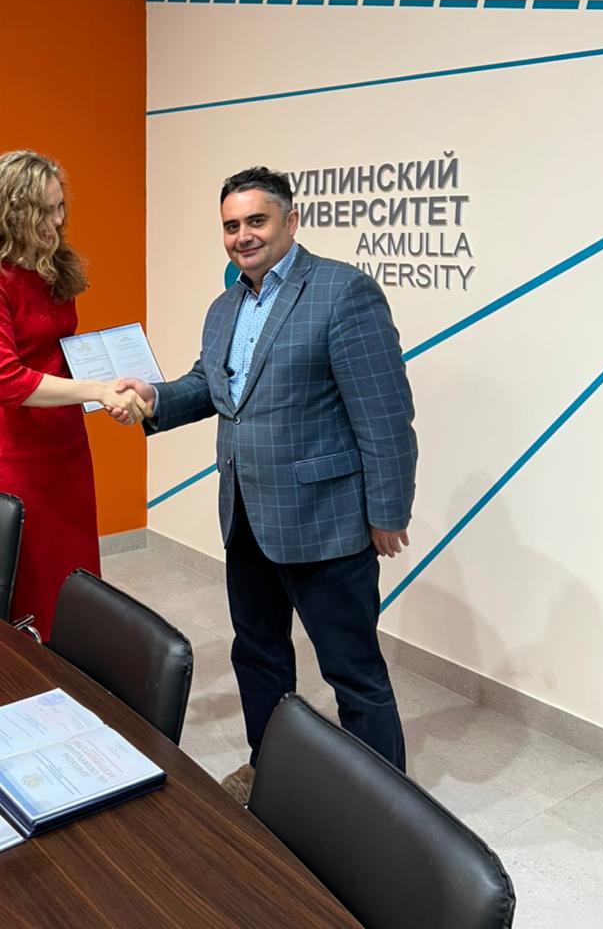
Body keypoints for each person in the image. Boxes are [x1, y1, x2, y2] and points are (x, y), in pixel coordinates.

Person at [114, 166, 416, 803]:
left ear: (291, 221)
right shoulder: (225, 306)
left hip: (326, 519)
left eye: (257, 220)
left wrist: (387, 511)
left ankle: (384, 806)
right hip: (246, 516)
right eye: (231, 225)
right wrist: (154, 397)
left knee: (353, 671)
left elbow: (385, 413)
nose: (242, 236)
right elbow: (211, 385)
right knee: (257, 655)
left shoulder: (342, 292)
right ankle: (271, 770)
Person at [0, 150, 149, 639]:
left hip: (64, 443)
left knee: (71, 572)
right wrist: (98, 389)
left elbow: (56, 354)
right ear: (11, 212)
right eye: (46, 210)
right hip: (13, 451)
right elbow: (6, 379)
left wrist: (111, 389)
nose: (58, 220)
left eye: (60, 207)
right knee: (22, 580)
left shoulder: (52, 264)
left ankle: (70, 667)